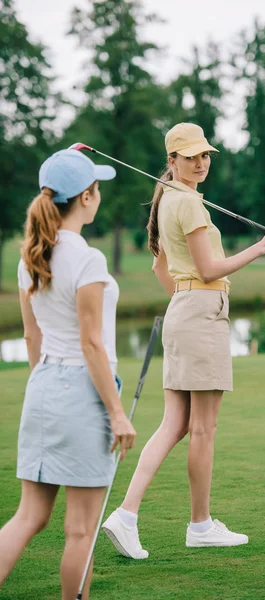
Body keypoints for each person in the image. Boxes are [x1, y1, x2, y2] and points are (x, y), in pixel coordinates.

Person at [102, 122, 265, 557]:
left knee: (177, 424)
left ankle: (126, 516)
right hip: (199, 314)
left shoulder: (168, 200)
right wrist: (263, 247)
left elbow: (159, 270)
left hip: (185, 312)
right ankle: (199, 526)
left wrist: (184, 303)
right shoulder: (188, 204)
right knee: (202, 427)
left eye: (204, 155)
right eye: (190, 157)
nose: (200, 163)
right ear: (172, 161)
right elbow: (209, 270)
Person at [0, 149, 135, 599]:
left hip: (42, 389)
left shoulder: (29, 257)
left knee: (27, 519)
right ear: (87, 197)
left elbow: (32, 338)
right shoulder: (88, 258)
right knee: (80, 531)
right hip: (84, 395)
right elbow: (91, 342)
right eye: (95, 187)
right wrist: (117, 413)